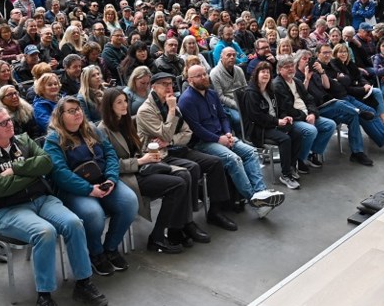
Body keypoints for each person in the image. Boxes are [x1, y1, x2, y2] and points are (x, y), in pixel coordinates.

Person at [0, 105, 109, 306]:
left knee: (74, 223)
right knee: (45, 232)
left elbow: (46, 163)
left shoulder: (23, 141)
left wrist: (16, 169)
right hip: (8, 210)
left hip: (41, 200)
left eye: (9, 120)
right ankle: (44, 297)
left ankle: (83, 283)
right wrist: (32, 173)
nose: (10, 124)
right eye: (3, 123)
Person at [99, 87, 207, 254]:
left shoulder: (125, 122)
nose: (124, 105)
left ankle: (176, 229)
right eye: (119, 102)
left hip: (143, 166)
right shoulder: (102, 130)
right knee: (177, 184)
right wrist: (141, 160)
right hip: (127, 176)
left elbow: (135, 148)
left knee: (184, 173)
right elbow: (109, 164)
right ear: (108, 106)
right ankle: (157, 237)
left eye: (125, 101)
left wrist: (146, 155)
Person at [44, 96, 138, 276]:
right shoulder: (53, 140)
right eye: (71, 111)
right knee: (94, 214)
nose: (77, 113)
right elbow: (60, 174)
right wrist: (89, 190)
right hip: (75, 189)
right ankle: (96, 253)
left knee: (130, 202)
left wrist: (111, 179)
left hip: (103, 180)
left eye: (78, 109)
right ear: (60, 116)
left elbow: (110, 154)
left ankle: (110, 248)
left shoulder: (92, 129)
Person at [179, 64, 285, 219]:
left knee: (250, 152)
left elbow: (223, 117)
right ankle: (253, 200)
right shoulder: (186, 100)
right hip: (203, 143)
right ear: (189, 80)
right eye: (199, 76)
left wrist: (228, 133)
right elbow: (196, 128)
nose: (204, 77)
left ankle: (261, 192)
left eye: (205, 74)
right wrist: (218, 139)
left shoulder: (212, 94)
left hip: (222, 136)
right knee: (233, 159)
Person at [136, 72, 238, 232]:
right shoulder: (146, 110)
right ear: (153, 87)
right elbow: (165, 133)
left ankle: (216, 211)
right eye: (164, 84)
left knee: (215, 162)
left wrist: (170, 141)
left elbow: (187, 132)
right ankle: (187, 222)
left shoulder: (171, 104)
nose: (169, 87)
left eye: (170, 83)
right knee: (191, 169)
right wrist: (171, 111)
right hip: (159, 156)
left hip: (175, 148)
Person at [240, 61, 303, 190]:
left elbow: (279, 108)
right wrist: (277, 122)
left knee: (297, 133)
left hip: (272, 123)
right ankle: (285, 175)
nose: (266, 75)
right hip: (258, 128)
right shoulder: (251, 93)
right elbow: (256, 117)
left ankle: (290, 166)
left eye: (268, 72)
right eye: (263, 72)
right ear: (256, 74)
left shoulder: (270, 90)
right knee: (285, 139)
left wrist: (284, 117)